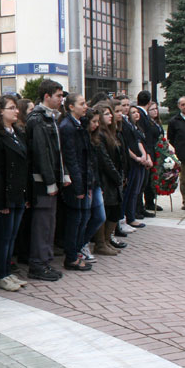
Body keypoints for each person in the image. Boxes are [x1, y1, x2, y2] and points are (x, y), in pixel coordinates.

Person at [0, 95, 28, 291]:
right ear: (0, 111)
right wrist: (0, 202)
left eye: (16, 108)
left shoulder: (17, 133)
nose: (16, 111)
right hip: (5, 197)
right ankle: (1, 272)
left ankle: (7, 270)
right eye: (11, 108)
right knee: (3, 236)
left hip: (19, 193)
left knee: (12, 235)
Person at [25, 79, 68, 282]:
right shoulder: (38, 119)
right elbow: (41, 153)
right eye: (58, 96)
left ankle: (45, 261)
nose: (61, 99)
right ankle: (38, 264)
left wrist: (63, 174)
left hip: (49, 179)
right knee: (42, 224)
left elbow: (57, 152)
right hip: (41, 182)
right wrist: (51, 181)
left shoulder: (50, 118)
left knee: (49, 222)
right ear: (47, 96)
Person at [58, 94, 93, 272]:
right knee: (75, 219)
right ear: (71, 107)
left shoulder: (79, 125)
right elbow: (71, 159)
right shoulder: (67, 127)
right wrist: (79, 186)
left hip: (82, 179)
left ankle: (76, 252)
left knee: (82, 218)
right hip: (74, 181)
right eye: (81, 104)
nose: (85, 106)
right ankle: (71, 257)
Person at [93, 102, 124, 255]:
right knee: (105, 211)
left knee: (115, 210)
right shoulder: (100, 135)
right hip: (106, 179)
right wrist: (116, 176)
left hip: (114, 178)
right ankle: (100, 243)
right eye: (106, 114)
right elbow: (105, 160)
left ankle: (106, 240)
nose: (111, 116)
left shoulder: (112, 133)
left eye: (110, 113)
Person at [81, 108, 108, 258]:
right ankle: (81, 245)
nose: (96, 125)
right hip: (88, 183)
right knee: (86, 216)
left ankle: (83, 242)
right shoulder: (83, 138)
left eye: (98, 122)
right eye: (94, 122)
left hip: (96, 182)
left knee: (99, 216)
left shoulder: (96, 140)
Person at [121, 106, 151, 228]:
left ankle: (131, 216)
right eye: (123, 106)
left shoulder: (134, 126)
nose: (126, 108)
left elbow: (139, 141)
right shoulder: (123, 125)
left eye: (128, 105)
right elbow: (126, 146)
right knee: (129, 191)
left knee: (136, 191)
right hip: (132, 162)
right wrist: (137, 158)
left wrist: (144, 155)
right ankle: (126, 218)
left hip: (140, 160)